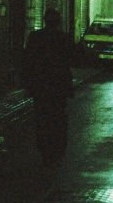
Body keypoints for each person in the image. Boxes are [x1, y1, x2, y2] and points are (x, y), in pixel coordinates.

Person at [22, 9, 74, 167]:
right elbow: (69, 62)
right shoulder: (63, 38)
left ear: (44, 20)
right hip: (58, 87)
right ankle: (57, 149)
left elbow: (28, 62)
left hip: (40, 87)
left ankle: (44, 148)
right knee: (58, 118)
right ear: (58, 21)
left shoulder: (35, 37)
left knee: (41, 118)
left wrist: (28, 85)